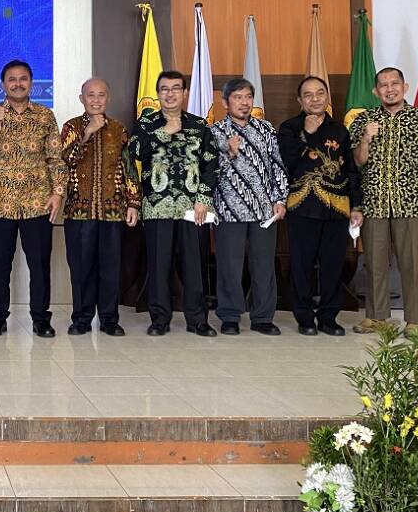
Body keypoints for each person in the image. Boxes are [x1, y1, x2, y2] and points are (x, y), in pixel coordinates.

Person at [349, 67, 418, 334]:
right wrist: (367, 138)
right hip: (375, 202)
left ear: (405, 86)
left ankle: (415, 320)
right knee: (374, 262)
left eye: (395, 83)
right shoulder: (364, 120)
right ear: (375, 91)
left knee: (412, 264)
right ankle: (377, 316)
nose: (389, 88)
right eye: (383, 85)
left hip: (413, 206)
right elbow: (358, 161)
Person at [0, 59, 66, 337]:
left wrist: (58, 193)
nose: (17, 83)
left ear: (31, 83)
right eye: (11, 79)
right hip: (0, 203)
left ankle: (41, 318)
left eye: (23, 78)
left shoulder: (45, 115)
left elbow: (55, 158)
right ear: (3, 84)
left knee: (39, 264)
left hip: (38, 203)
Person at [127, 70, 220, 337]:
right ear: (158, 94)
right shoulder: (146, 124)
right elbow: (134, 152)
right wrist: (163, 133)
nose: (170, 94)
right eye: (164, 89)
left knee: (194, 265)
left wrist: (203, 198)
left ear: (185, 93)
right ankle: (159, 320)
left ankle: (197, 320)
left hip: (193, 208)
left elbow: (211, 164)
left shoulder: (199, 125)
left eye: (175, 88)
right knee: (159, 264)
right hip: (158, 205)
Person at [277, 75, 363, 337]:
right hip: (302, 207)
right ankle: (304, 317)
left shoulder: (340, 130)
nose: (315, 99)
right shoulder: (289, 128)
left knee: (333, 265)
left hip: (336, 209)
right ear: (299, 100)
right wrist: (308, 134)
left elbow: (351, 170)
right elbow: (285, 161)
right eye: (308, 95)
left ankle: (328, 317)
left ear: (327, 97)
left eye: (319, 93)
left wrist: (356, 206)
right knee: (301, 265)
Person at [59, 78, 140, 336]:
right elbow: (66, 160)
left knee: (110, 267)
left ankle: (108, 319)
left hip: (112, 211)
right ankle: (81, 319)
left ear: (108, 98)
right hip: (78, 211)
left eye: (101, 95)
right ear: (82, 98)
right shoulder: (71, 127)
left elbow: (128, 169)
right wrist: (87, 134)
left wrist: (133, 203)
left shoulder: (119, 129)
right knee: (81, 268)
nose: (96, 100)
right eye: (90, 95)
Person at [210, 78, 289, 336]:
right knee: (229, 266)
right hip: (229, 210)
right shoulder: (216, 132)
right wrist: (228, 154)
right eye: (237, 97)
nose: (244, 102)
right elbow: (209, 173)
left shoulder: (265, 129)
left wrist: (280, 200)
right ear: (225, 102)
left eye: (247, 97)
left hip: (263, 211)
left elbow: (277, 166)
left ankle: (263, 317)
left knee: (263, 265)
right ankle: (230, 316)